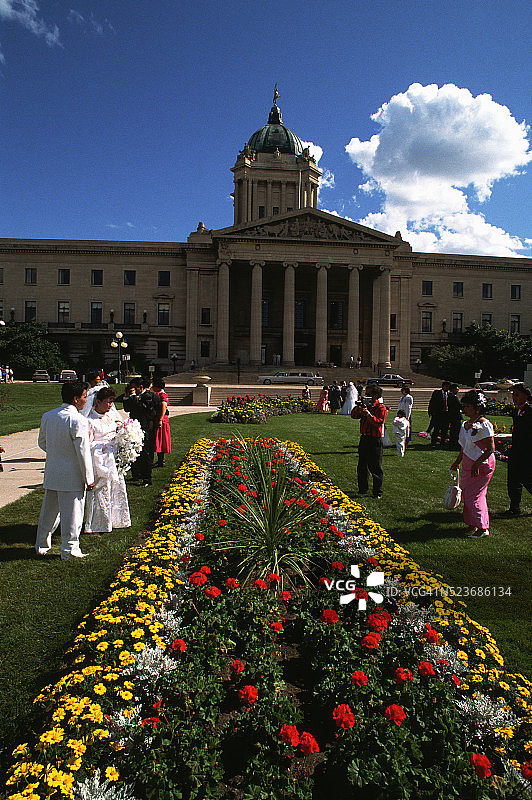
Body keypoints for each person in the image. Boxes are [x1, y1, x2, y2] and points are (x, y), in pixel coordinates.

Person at [35, 380, 95, 560]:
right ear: (76, 399)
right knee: (73, 513)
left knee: (49, 512)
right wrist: (89, 478)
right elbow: (83, 453)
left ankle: (41, 545)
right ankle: (69, 548)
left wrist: (57, 453)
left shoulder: (48, 416)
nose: (86, 401)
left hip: (53, 471)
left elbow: (42, 442)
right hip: (72, 474)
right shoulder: (78, 420)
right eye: (84, 397)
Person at [85, 387, 131, 534]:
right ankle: (99, 523)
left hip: (113, 457)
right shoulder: (90, 420)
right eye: (107, 402)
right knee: (101, 490)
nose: (110, 405)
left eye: (112, 402)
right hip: (99, 458)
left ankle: (117, 520)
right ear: (98, 402)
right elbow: (87, 442)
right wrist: (102, 447)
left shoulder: (111, 417)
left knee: (116, 487)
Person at [450, 390, 495, 538]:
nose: (465, 409)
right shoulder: (466, 424)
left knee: (474, 495)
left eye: (468, 406)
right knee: (467, 494)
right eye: (465, 406)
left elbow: (490, 449)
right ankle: (472, 523)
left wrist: (477, 464)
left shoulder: (484, 425)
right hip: (468, 463)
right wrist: (457, 462)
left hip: (481, 463)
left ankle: (482, 528)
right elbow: (465, 447)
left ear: (478, 408)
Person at [122, 377, 162, 487]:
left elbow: (143, 408)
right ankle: (137, 473)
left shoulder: (148, 396)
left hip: (146, 427)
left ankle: (147, 478)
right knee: (135, 450)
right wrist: (127, 397)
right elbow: (127, 409)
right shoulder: (134, 397)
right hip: (135, 426)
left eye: (134, 388)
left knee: (146, 452)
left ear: (140, 387)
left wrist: (134, 397)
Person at [351, 383, 388, 498]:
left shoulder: (381, 408)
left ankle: (377, 492)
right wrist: (358, 408)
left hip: (375, 440)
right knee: (362, 465)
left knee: (375, 467)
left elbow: (378, 422)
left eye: (368, 394)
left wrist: (368, 414)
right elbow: (354, 416)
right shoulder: (366, 406)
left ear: (376, 395)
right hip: (365, 438)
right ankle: (363, 488)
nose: (366, 396)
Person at [503, 383, 532, 517]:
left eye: (517, 395)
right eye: (513, 395)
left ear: (525, 396)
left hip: (527, 452)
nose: (514, 398)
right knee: (513, 480)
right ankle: (514, 507)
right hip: (515, 451)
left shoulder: (530, 411)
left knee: (527, 479)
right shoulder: (516, 411)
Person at [151, 376, 172, 467]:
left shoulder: (162, 396)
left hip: (161, 419)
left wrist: (160, 419)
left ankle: (160, 461)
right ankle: (160, 460)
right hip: (161, 418)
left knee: (160, 439)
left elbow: (163, 407)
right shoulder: (160, 394)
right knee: (160, 439)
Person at [428, 381, 451, 447]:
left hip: (446, 414)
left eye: (448, 387)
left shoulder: (449, 394)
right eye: (446, 386)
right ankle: (433, 443)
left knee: (445, 429)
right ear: (443, 386)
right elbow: (432, 402)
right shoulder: (437, 393)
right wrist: (431, 412)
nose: (447, 388)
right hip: (438, 414)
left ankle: (442, 442)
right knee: (436, 429)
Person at [447, 383, 462, 449]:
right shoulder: (453, 397)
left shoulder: (451, 396)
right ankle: (454, 443)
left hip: (453, 416)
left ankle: (453, 442)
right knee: (455, 430)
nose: (457, 391)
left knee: (454, 430)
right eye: (456, 389)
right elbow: (458, 406)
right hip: (455, 416)